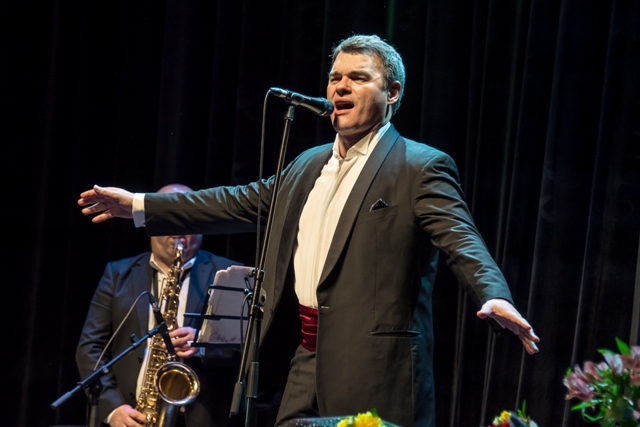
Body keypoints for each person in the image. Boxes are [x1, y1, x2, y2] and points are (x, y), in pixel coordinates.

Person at [78, 35, 540, 427]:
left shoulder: (419, 166)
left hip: (376, 369)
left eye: (358, 78)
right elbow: (232, 201)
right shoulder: (307, 164)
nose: (341, 86)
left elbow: (460, 238)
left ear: (393, 93)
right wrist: (138, 205)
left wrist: (493, 294)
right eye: (335, 77)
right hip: (304, 360)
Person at [76, 183, 240, 427]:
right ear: (151, 224)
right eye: (171, 218)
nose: (179, 230)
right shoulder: (117, 273)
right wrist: (113, 408)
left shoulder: (228, 273)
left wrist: (203, 345)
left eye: (188, 220)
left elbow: (248, 349)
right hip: (133, 416)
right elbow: (90, 348)